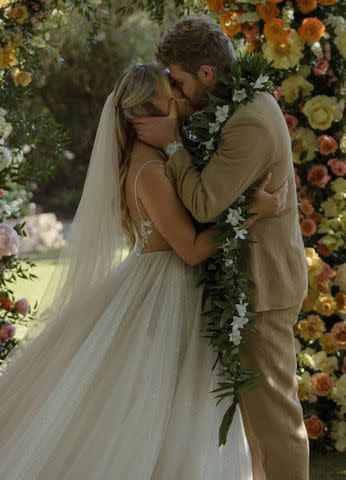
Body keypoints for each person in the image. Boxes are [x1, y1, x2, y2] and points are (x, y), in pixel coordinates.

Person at [0, 64, 287, 479]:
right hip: (167, 288)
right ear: (143, 119)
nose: (180, 104)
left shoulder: (158, 159)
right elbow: (188, 249)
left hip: (160, 280)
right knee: (163, 402)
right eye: (171, 99)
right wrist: (251, 214)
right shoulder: (149, 170)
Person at [133, 17, 310, 480]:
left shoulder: (248, 121)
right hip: (248, 284)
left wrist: (172, 146)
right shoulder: (234, 108)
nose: (174, 91)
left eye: (179, 79)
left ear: (207, 74)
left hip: (264, 286)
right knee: (255, 425)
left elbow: (205, 203)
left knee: (277, 424)